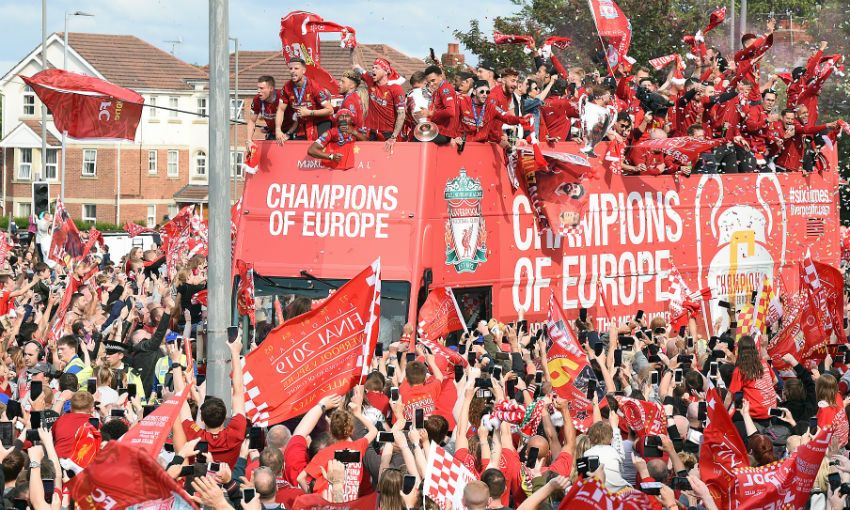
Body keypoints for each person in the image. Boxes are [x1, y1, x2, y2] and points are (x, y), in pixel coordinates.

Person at [353, 58, 406, 152]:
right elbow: (356, 67)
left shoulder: (396, 89)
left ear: (386, 71)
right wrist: (352, 48)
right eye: (372, 67)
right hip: (372, 132)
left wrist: (393, 137)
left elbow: (401, 114)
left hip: (388, 134)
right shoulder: (370, 81)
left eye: (376, 68)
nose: (373, 69)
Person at [276, 58, 334, 142]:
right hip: (303, 125)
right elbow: (281, 109)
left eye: (296, 68)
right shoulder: (286, 87)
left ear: (303, 71)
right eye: (290, 68)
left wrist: (309, 112)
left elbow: (330, 110)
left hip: (321, 122)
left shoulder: (314, 87)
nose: (292, 71)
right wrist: (278, 130)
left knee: (318, 148)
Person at [420, 65, 460, 145]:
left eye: (433, 80)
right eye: (429, 82)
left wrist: (431, 113)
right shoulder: (436, 91)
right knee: (417, 136)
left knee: (417, 140)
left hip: (445, 133)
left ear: (441, 77)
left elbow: (451, 112)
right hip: (438, 130)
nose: (431, 84)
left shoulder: (445, 89)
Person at [246, 75, 282, 143]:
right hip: (273, 133)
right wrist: (249, 140)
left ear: (271, 88)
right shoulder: (257, 99)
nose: (258, 91)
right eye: (258, 88)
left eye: (261, 88)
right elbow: (252, 121)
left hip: (289, 133)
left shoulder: (282, 96)